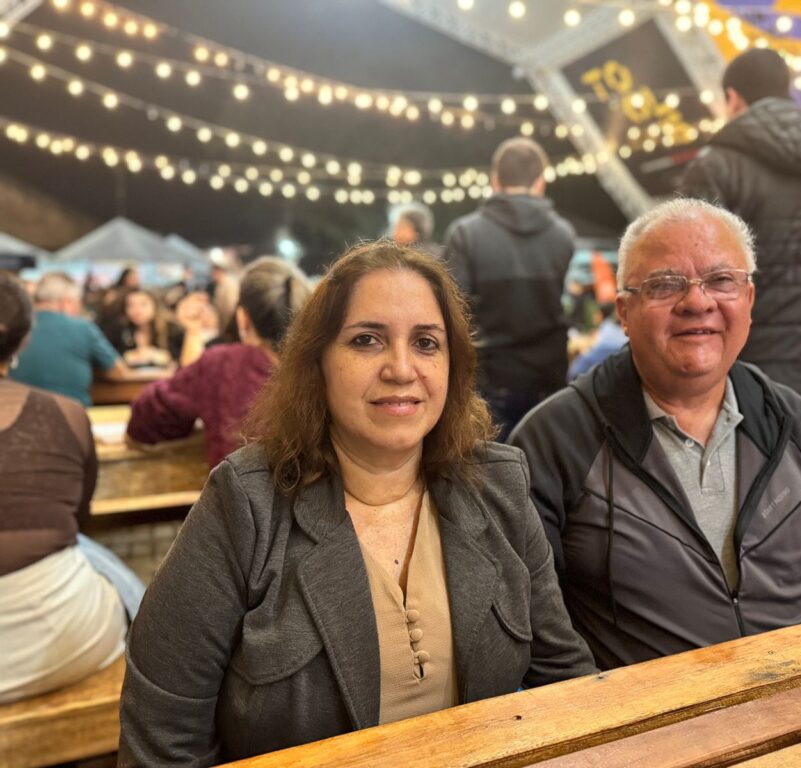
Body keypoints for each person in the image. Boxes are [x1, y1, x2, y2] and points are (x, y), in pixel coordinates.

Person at [118, 242, 595, 765]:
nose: (401, 368)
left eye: (426, 342)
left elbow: (565, 680)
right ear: (317, 361)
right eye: (367, 340)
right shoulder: (245, 503)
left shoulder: (497, 485)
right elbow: (162, 733)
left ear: (453, 364)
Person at [510, 198, 801, 670]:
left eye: (721, 280)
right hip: (648, 733)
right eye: (665, 284)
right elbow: (538, 639)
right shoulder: (554, 443)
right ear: (625, 312)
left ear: (749, 301)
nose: (697, 301)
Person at [678, 48, 801, 408]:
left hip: (729, 377)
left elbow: (688, 272)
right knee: (800, 463)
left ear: (733, 98)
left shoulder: (717, 165)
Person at [0, 273, 142, 704]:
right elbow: (81, 518)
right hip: (64, 627)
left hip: (57, 626)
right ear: (23, 341)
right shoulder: (66, 415)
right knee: (116, 575)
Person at [444, 137, 575, 440]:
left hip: (487, 382)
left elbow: (453, 314)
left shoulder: (465, 234)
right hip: (549, 380)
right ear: (540, 182)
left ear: (495, 181)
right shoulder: (564, 235)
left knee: (489, 479)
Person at [128, 258, 311, 468]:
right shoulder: (327, 364)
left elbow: (148, 419)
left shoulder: (227, 364)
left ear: (242, 318)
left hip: (240, 500)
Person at [10, 271, 130, 406]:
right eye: (78, 304)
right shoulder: (83, 327)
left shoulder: (15, 326)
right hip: (73, 416)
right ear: (66, 302)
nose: (80, 309)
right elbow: (119, 372)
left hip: (18, 416)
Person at [102, 289, 184, 368]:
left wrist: (166, 357)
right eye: (130, 305)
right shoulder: (119, 329)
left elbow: (185, 360)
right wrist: (126, 356)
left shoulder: (173, 330)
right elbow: (106, 356)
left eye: (143, 304)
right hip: (130, 379)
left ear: (155, 306)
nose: (137, 310)